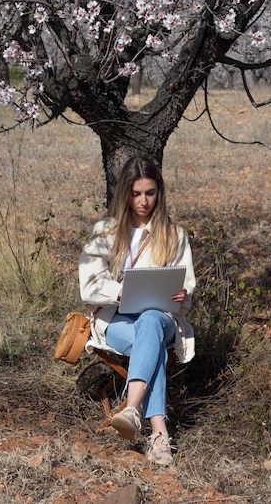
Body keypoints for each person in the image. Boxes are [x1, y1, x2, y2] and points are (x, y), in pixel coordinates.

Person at [79, 156, 196, 466]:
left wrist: (183, 295)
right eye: (136, 193)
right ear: (125, 194)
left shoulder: (174, 234)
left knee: (151, 320)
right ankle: (159, 434)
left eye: (150, 192)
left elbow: (188, 291)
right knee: (151, 341)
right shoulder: (105, 231)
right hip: (116, 321)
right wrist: (120, 291)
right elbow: (88, 284)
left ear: (160, 192)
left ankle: (131, 409)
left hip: (163, 319)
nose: (144, 201)